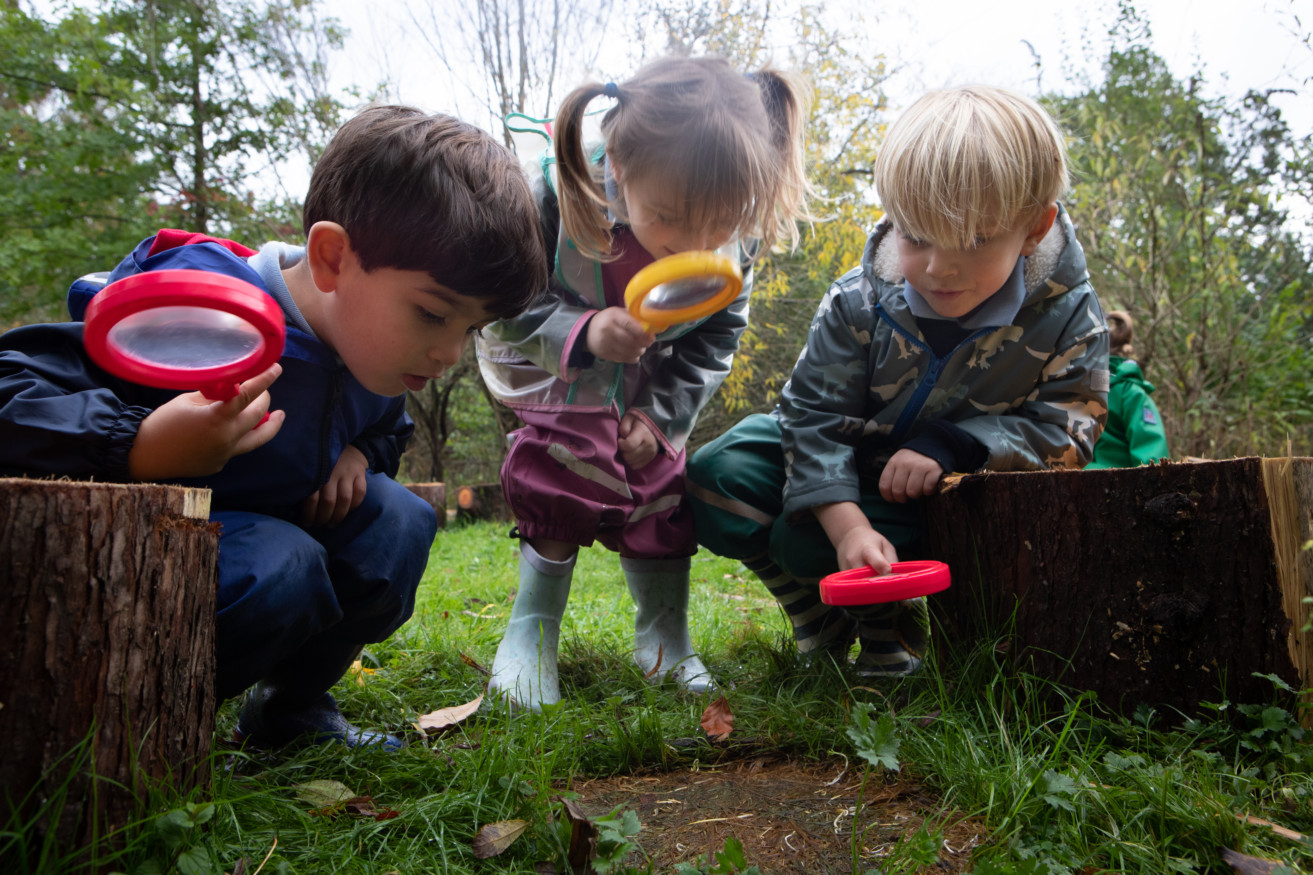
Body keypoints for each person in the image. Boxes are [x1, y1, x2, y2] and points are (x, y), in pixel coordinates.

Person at [0, 106, 546, 748]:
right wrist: (139, 443)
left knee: (398, 523)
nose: (450, 353)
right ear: (332, 257)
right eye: (432, 314)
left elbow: (387, 428)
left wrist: (360, 456)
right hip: (156, 562)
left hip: (281, 532)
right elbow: (15, 389)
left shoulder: (376, 358)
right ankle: (131, 729)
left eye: (469, 329)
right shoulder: (194, 310)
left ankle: (291, 711)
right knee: (281, 564)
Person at [686, 84, 1110, 677]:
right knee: (717, 474)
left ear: (1034, 228)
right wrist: (845, 522)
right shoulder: (857, 303)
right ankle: (814, 611)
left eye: (976, 240)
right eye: (916, 235)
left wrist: (959, 443)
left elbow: (1072, 427)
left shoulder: (1069, 315)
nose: (939, 267)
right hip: (844, 472)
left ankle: (890, 632)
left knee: (802, 539)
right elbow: (810, 417)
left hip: (951, 496)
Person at [476, 55, 814, 710]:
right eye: (668, 215)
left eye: (719, 224)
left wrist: (660, 415)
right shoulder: (548, 197)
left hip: (652, 381)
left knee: (659, 480)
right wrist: (584, 331)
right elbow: (500, 305)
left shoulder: (728, 231)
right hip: (554, 373)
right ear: (620, 170)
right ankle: (532, 631)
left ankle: (663, 638)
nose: (693, 241)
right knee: (558, 464)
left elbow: (716, 338)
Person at [1086, 310, 1170, 468]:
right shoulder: (1132, 395)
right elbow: (1153, 460)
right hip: (1121, 488)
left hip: (1070, 483)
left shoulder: (1074, 387)